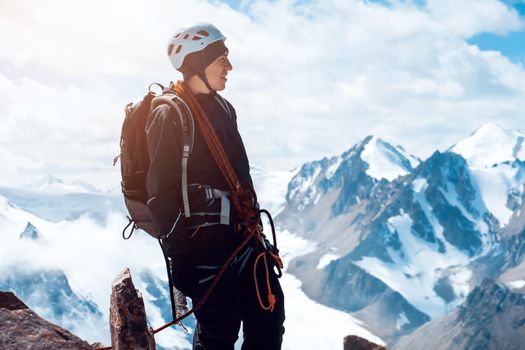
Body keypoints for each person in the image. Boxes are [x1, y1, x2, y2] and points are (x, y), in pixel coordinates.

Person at [145, 22, 285, 350]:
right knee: (218, 336)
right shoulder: (170, 112)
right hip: (205, 249)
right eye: (222, 58)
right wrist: (180, 261)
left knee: (269, 321)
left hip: (243, 239)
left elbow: (241, 177)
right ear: (197, 62)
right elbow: (161, 195)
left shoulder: (224, 109)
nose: (229, 66)